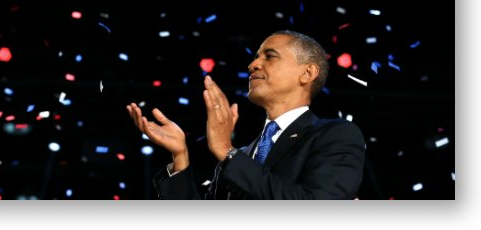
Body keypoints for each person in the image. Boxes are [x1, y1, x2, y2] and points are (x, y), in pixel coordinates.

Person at [126, 30, 365, 199]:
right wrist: (180, 158)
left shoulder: (336, 135)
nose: (253, 64)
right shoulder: (241, 156)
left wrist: (226, 152)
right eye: (256, 57)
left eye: (269, 56)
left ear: (307, 73)